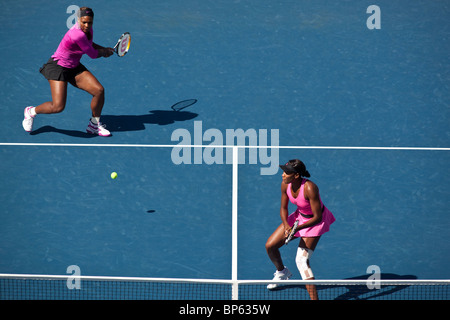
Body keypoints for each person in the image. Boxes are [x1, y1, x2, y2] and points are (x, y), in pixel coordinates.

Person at [22, 7, 114, 136]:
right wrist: (104, 52)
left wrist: (103, 48)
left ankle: (94, 125)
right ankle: (31, 111)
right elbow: (92, 54)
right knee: (58, 107)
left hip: (74, 67)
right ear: (78, 20)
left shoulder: (87, 30)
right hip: (58, 67)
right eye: (84, 22)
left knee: (99, 90)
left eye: (90, 22)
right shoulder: (77, 33)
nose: (87, 25)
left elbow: (89, 44)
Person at [265, 159, 336, 300]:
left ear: (296, 175)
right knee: (270, 246)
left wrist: (297, 228)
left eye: (287, 172)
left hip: (315, 222)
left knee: (302, 261)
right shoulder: (285, 185)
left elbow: (317, 217)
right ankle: (282, 272)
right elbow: (283, 208)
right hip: (299, 217)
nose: (283, 175)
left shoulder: (310, 188)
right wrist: (287, 225)